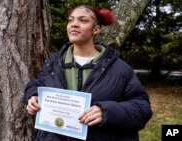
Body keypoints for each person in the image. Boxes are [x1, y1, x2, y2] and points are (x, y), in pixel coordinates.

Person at [24, 5, 153, 141]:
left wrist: (106, 112)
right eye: (70, 20)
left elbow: (142, 109)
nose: (74, 24)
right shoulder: (53, 63)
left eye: (83, 20)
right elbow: (37, 84)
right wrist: (33, 97)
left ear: (96, 29)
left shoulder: (120, 69)